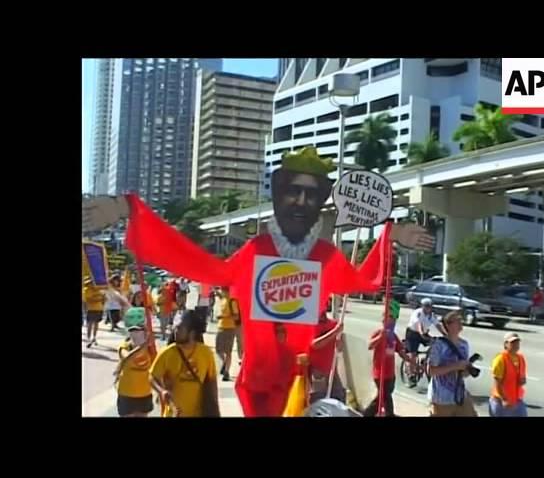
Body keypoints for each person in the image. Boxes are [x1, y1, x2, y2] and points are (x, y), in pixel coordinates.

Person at [85, 146, 433, 417]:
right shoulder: (257, 250)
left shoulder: (325, 256)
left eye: (311, 194)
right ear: (279, 194)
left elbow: (363, 281)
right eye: (292, 191)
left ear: (321, 200)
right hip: (255, 384)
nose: (300, 201)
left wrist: (391, 236)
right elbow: (202, 266)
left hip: (298, 384)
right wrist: (128, 210)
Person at [150, 310, 220, 417]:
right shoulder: (167, 353)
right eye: (174, 328)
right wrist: (161, 391)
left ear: (192, 333)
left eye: (179, 328)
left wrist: (215, 409)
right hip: (174, 414)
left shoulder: (206, 353)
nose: (175, 331)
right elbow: (152, 376)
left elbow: (212, 383)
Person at [426, 311, 477, 417]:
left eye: (461, 320)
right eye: (457, 320)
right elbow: (431, 371)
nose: (460, 322)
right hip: (442, 398)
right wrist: (455, 366)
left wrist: (466, 370)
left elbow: (462, 373)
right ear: (448, 325)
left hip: (460, 395)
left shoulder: (464, 345)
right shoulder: (438, 345)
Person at [363, 317, 410, 417]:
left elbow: (400, 350)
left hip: (390, 373)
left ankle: (369, 413)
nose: (392, 323)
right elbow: (370, 346)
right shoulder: (378, 333)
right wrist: (380, 337)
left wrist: (410, 361)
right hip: (379, 372)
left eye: (393, 321)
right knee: (385, 396)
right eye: (389, 320)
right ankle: (377, 414)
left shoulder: (393, 336)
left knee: (383, 396)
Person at [114, 324, 154, 417]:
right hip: (126, 393)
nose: (135, 334)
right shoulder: (124, 347)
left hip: (144, 392)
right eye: (132, 332)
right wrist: (141, 347)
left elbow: (156, 368)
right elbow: (126, 357)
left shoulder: (150, 349)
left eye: (138, 332)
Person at [405, 298, 446, 387]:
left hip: (424, 333)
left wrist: (446, 334)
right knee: (413, 354)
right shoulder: (418, 313)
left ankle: (425, 361)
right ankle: (411, 375)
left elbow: (438, 325)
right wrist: (421, 333)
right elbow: (419, 324)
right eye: (426, 306)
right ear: (422, 306)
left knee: (435, 345)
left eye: (429, 306)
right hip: (413, 333)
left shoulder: (432, 316)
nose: (428, 308)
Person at [308, 312, 346, 404]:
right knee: (318, 399)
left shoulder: (334, 324)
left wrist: (340, 342)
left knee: (339, 396)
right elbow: (314, 344)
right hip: (317, 370)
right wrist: (334, 332)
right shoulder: (312, 324)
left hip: (332, 369)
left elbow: (340, 348)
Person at [489, 332, 528, 417]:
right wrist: (504, 399)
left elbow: (522, 377)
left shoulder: (521, 358)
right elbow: (497, 383)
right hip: (501, 402)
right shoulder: (500, 359)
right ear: (505, 344)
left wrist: (523, 381)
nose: (516, 345)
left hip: (517, 400)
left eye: (517, 342)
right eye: (512, 342)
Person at [214, 287, 236, 381]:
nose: (222, 291)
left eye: (223, 289)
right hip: (220, 327)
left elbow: (235, 315)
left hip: (230, 328)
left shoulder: (232, 301)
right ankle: (224, 364)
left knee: (228, 351)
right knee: (218, 350)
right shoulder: (222, 300)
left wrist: (224, 316)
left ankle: (226, 372)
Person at [83, 278, 106, 348]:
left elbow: (104, 299)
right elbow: (88, 299)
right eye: (91, 282)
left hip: (99, 309)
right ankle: (88, 338)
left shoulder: (99, 290)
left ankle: (94, 337)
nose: (93, 283)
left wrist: (104, 300)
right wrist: (99, 299)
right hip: (91, 309)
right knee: (90, 323)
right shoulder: (86, 290)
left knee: (96, 323)